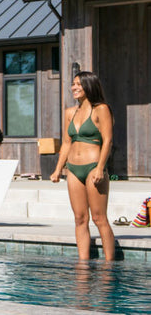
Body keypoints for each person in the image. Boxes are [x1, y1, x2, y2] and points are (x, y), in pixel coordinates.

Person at [50, 71, 116, 260]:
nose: (74, 87)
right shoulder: (70, 112)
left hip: (93, 166)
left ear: (89, 86)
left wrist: (100, 168)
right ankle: (83, 264)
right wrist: (57, 169)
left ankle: (109, 266)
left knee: (99, 218)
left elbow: (108, 140)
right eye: (73, 84)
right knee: (80, 219)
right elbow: (66, 143)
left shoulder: (101, 109)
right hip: (73, 169)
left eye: (78, 84)